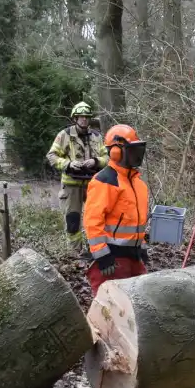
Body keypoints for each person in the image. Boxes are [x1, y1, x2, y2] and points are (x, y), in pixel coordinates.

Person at [84, 124, 150, 296]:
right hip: (112, 258)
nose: (137, 155)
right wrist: (101, 254)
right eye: (132, 149)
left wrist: (141, 246)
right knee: (110, 311)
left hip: (133, 256)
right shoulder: (105, 181)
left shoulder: (139, 184)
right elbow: (92, 220)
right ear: (116, 152)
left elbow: (136, 221)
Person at [46, 101, 108, 255]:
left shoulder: (97, 136)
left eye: (86, 117)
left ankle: (96, 251)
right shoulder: (64, 135)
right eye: (81, 117)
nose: (84, 119)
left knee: (96, 219)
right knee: (73, 221)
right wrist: (69, 164)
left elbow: (108, 157)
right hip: (71, 185)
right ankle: (75, 254)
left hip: (93, 184)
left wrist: (96, 161)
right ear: (75, 118)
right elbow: (51, 156)